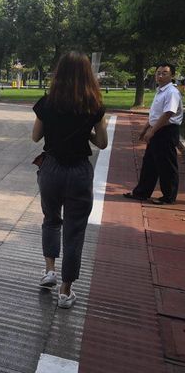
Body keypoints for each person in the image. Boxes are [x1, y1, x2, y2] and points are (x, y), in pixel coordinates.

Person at [32, 52, 108, 309]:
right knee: (75, 230)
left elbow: (35, 137)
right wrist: (85, 133)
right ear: (87, 74)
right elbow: (102, 142)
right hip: (79, 173)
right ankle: (66, 292)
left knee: (51, 220)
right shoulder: (94, 105)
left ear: (59, 72)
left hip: (51, 169)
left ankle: (49, 271)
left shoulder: (47, 102)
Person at [123, 62, 183, 205]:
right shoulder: (160, 91)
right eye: (158, 73)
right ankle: (141, 192)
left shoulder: (172, 92)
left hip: (166, 131)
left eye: (164, 73)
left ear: (172, 75)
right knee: (150, 163)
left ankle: (168, 196)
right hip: (158, 129)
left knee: (166, 164)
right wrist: (145, 129)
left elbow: (168, 114)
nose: (160, 76)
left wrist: (152, 131)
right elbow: (155, 115)